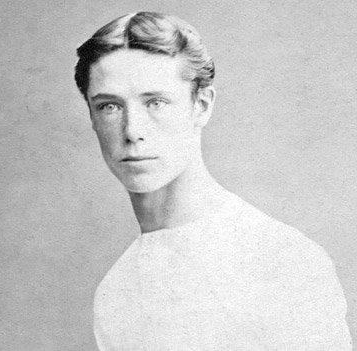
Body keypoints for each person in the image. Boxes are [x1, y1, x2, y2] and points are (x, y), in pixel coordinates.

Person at [74, 12, 352, 349]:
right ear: (91, 115)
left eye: (156, 102)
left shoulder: (281, 261)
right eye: (109, 107)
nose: (132, 131)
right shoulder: (116, 289)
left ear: (201, 106)